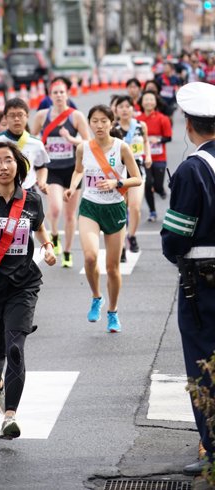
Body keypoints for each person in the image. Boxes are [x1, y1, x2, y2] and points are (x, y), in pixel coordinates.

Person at [0, 141, 56, 439]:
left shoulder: (31, 199)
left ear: (19, 165)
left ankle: (9, 416)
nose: (3, 166)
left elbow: (38, 226)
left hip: (23, 283)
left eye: (9, 160)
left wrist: (48, 245)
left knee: (16, 348)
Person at [161, 82, 215, 477]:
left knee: (204, 364)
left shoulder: (192, 169)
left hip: (204, 281)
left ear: (187, 122)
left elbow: (176, 236)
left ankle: (213, 452)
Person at [64, 105, 142, 332]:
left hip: (115, 209)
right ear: (89, 123)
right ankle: (97, 297)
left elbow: (136, 179)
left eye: (103, 121)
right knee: (89, 257)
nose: (99, 125)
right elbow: (78, 171)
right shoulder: (83, 148)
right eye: (94, 121)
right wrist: (72, 187)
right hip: (90, 207)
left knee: (113, 268)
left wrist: (116, 183)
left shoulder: (122, 148)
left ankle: (113, 311)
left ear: (111, 122)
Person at [31, 80, 90, 267]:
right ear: (49, 95)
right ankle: (54, 235)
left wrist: (70, 138)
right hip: (51, 169)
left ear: (67, 95)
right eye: (55, 92)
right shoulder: (41, 115)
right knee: (55, 208)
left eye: (62, 92)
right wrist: (43, 144)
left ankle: (67, 251)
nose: (58, 95)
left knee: (71, 215)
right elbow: (31, 141)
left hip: (73, 170)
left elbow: (88, 143)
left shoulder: (76, 116)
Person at [0, 98, 50, 194]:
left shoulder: (36, 143)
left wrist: (42, 182)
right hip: (0, 192)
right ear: (5, 117)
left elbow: (41, 166)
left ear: (27, 116)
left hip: (27, 191)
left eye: (20, 115)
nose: (16, 119)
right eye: (12, 115)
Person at [115, 95, 152, 259]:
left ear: (133, 108)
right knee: (121, 209)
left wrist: (148, 156)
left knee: (135, 207)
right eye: (120, 106)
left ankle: (132, 236)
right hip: (119, 172)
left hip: (137, 169)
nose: (124, 109)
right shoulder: (112, 128)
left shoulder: (140, 125)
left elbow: (146, 141)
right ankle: (121, 245)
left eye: (127, 106)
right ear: (116, 110)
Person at [137, 91, 172, 222]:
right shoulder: (137, 120)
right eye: (146, 100)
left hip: (159, 158)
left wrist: (158, 141)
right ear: (142, 102)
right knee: (147, 184)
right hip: (143, 157)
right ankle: (152, 212)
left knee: (157, 185)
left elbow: (169, 137)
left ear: (156, 102)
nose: (149, 102)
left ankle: (160, 190)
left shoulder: (162, 118)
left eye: (151, 99)